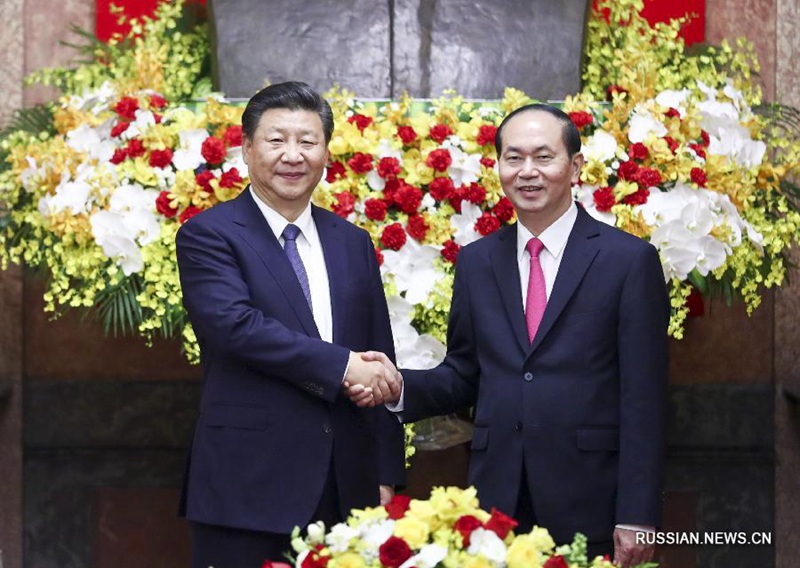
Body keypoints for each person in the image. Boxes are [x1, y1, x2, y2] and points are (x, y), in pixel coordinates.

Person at [356, 103, 669, 567]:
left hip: (591, 497)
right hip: (496, 500)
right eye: (513, 158)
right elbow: (464, 373)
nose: (527, 171)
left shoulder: (628, 261)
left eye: (543, 157)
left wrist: (638, 513)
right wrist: (399, 387)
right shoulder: (477, 261)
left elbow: (645, 399)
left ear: (575, 167)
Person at [176, 81, 405, 567]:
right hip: (247, 488)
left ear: (326, 152)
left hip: (346, 487)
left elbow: (379, 355)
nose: (292, 155)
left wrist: (386, 473)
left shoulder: (352, 242)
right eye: (276, 140)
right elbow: (236, 328)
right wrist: (343, 366)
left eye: (307, 141)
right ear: (247, 148)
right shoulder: (208, 235)